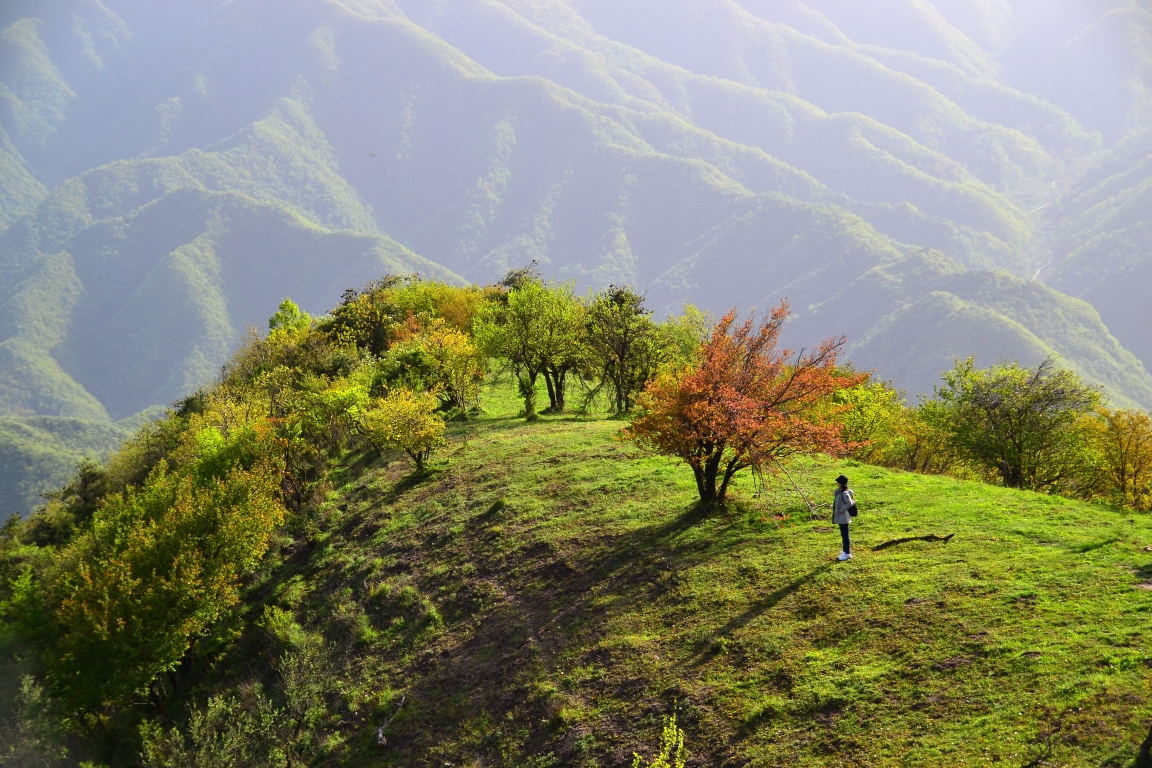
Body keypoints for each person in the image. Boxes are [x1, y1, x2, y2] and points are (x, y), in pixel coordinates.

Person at [832, 474, 854, 561]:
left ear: (841, 483)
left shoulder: (845, 493)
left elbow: (850, 503)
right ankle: (845, 551)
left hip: (844, 517)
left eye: (838, 482)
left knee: (845, 535)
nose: (837, 483)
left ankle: (847, 553)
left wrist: (841, 510)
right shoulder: (840, 492)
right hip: (842, 518)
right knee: (844, 535)